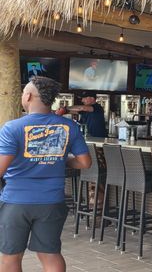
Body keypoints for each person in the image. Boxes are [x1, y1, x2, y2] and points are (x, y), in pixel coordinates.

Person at [0, 76, 92, 271]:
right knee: (50, 254)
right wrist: (58, 158)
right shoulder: (69, 126)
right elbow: (85, 163)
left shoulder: (12, 128)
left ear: (29, 96)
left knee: (11, 257)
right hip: (52, 200)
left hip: (17, 201)